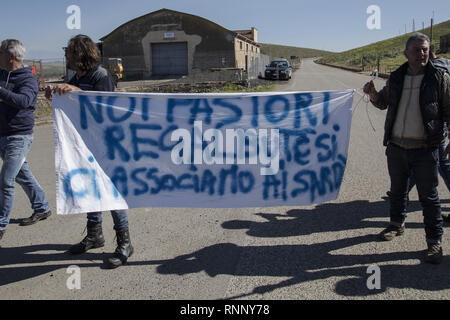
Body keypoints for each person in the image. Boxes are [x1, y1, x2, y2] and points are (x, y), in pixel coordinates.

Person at [45, 35, 133, 269]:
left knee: (111, 193)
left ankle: (125, 242)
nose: (66, 57)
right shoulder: (79, 76)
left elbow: (105, 109)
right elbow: (75, 102)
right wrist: (57, 95)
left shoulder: (101, 76)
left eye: (70, 53)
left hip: (107, 144)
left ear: (82, 54)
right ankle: (95, 235)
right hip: (85, 145)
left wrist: (74, 90)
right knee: (90, 187)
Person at [363, 32, 450, 264]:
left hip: (425, 148)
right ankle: (396, 224)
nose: (423, 53)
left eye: (426, 49)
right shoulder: (397, 77)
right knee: (398, 190)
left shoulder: (439, 77)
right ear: (406, 53)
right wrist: (372, 94)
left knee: (429, 197)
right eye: (418, 49)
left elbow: (449, 109)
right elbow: (383, 103)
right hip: (396, 147)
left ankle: (434, 242)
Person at [0, 39, 51, 241]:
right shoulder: (3, 74)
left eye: (0, 52)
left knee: (6, 180)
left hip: (18, 136)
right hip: (3, 133)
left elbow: (25, 101)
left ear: (10, 56)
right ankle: (42, 207)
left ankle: (1, 224)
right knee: (22, 175)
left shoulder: (27, 79)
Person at [406, 45, 450, 223]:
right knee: (428, 162)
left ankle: (401, 193)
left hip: (431, 128)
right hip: (438, 127)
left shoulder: (434, 74)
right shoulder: (446, 66)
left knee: (441, 165)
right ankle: (401, 192)